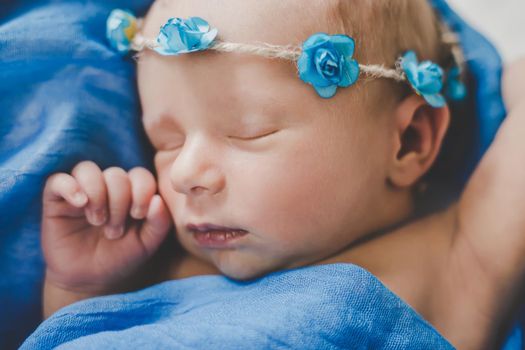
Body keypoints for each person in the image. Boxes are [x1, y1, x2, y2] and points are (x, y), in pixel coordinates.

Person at [38, 0, 524, 348]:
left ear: (409, 141)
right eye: (165, 142)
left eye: (248, 132)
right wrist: (81, 288)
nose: (185, 173)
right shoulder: (162, 268)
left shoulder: (462, 261)